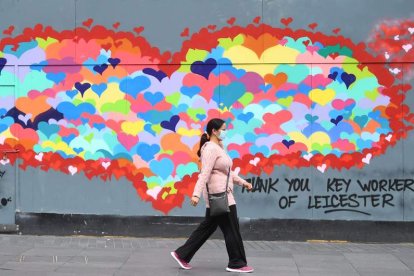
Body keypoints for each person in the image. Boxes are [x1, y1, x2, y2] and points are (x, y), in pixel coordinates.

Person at [170, 118, 254, 273]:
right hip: (219, 196)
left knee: (207, 227)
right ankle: (237, 263)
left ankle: (182, 254)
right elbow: (205, 173)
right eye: (223, 129)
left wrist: (244, 183)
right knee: (232, 229)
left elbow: (227, 174)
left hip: (222, 195)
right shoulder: (210, 149)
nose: (225, 131)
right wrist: (195, 195)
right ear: (214, 131)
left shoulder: (219, 147)